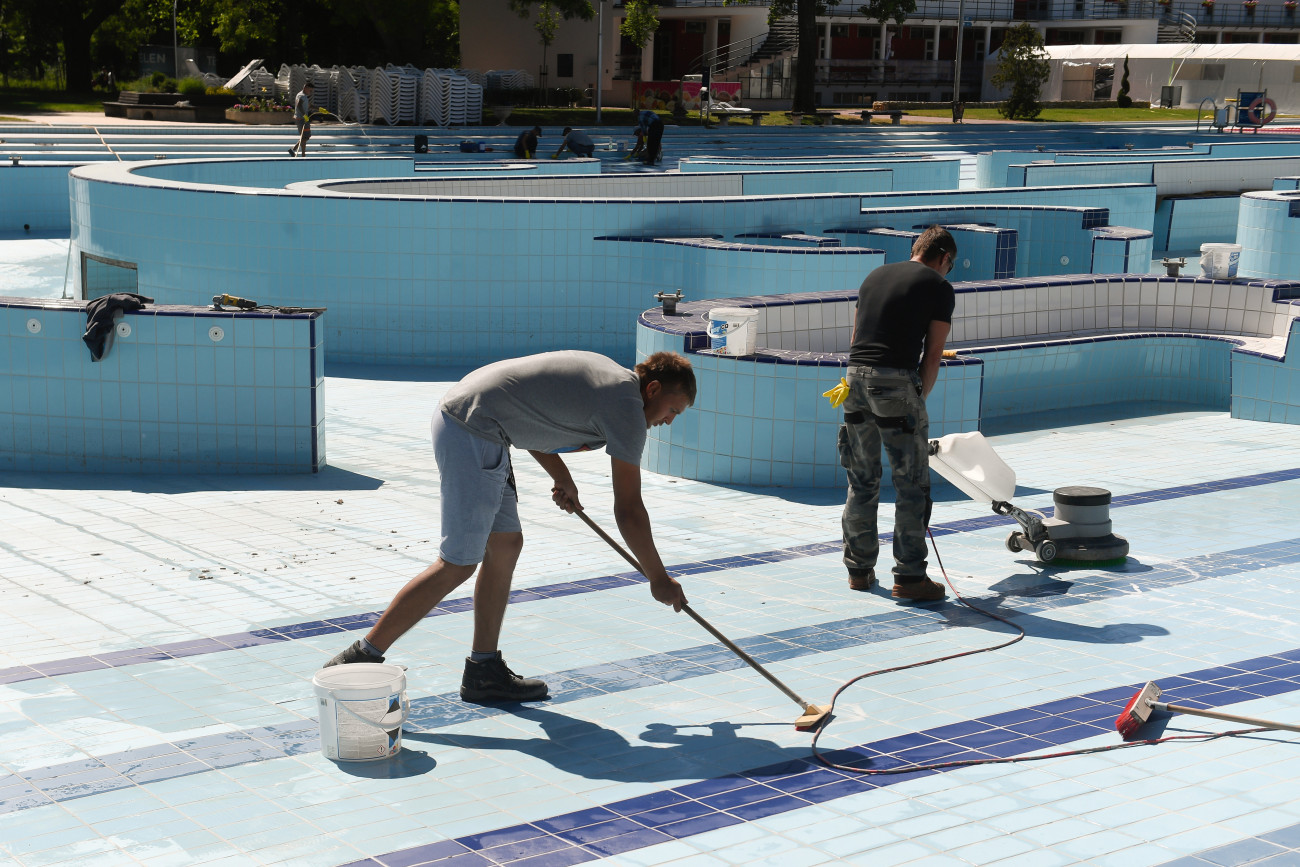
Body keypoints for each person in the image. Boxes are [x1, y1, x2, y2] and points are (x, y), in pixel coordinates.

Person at [325, 350, 696, 703]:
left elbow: (528, 415)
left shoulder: (612, 380)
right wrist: (658, 578)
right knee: (457, 562)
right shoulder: (627, 407)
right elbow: (629, 509)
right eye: (673, 410)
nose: (669, 421)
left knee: (505, 545)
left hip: (479, 422)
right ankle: (360, 658)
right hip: (471, 427)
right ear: (653, 389)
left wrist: (561, 475)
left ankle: (483, 671)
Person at [840, 226, 957, 603]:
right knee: (911, 486)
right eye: (949, 266)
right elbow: (934, 353)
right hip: (895, 384)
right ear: (944, 258)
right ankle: (909, 576)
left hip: (853, 381)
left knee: (862, 479)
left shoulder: (874, 276)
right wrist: (917, 397)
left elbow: (858, 339)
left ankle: (858, 570)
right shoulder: (939, 287)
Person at [289, 82, 314, 157]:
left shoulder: (303, 95)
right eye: (310, 90)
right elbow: (299, 106)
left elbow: (308, 105)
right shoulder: (302, 96)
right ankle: (303, 154)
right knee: (304, 137)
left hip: (302, 118)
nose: (311, 92)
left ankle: (293, 149)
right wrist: (304, 115)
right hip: (301, 119)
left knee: (305, 136)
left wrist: (319, 109)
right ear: (305, 87)